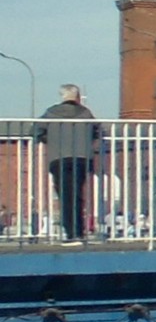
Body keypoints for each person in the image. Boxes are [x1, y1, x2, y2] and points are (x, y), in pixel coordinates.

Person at [41, 84, 98, 242]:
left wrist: (51, 139)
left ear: (62, 96)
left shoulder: (50, 113)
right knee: (77, 194)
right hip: (81, 158)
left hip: (59, 159)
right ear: (77, 97)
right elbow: (97, 131)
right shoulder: (86, 113)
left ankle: (71, 232)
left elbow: (36, 131)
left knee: (65, 196)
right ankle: (78, 231)